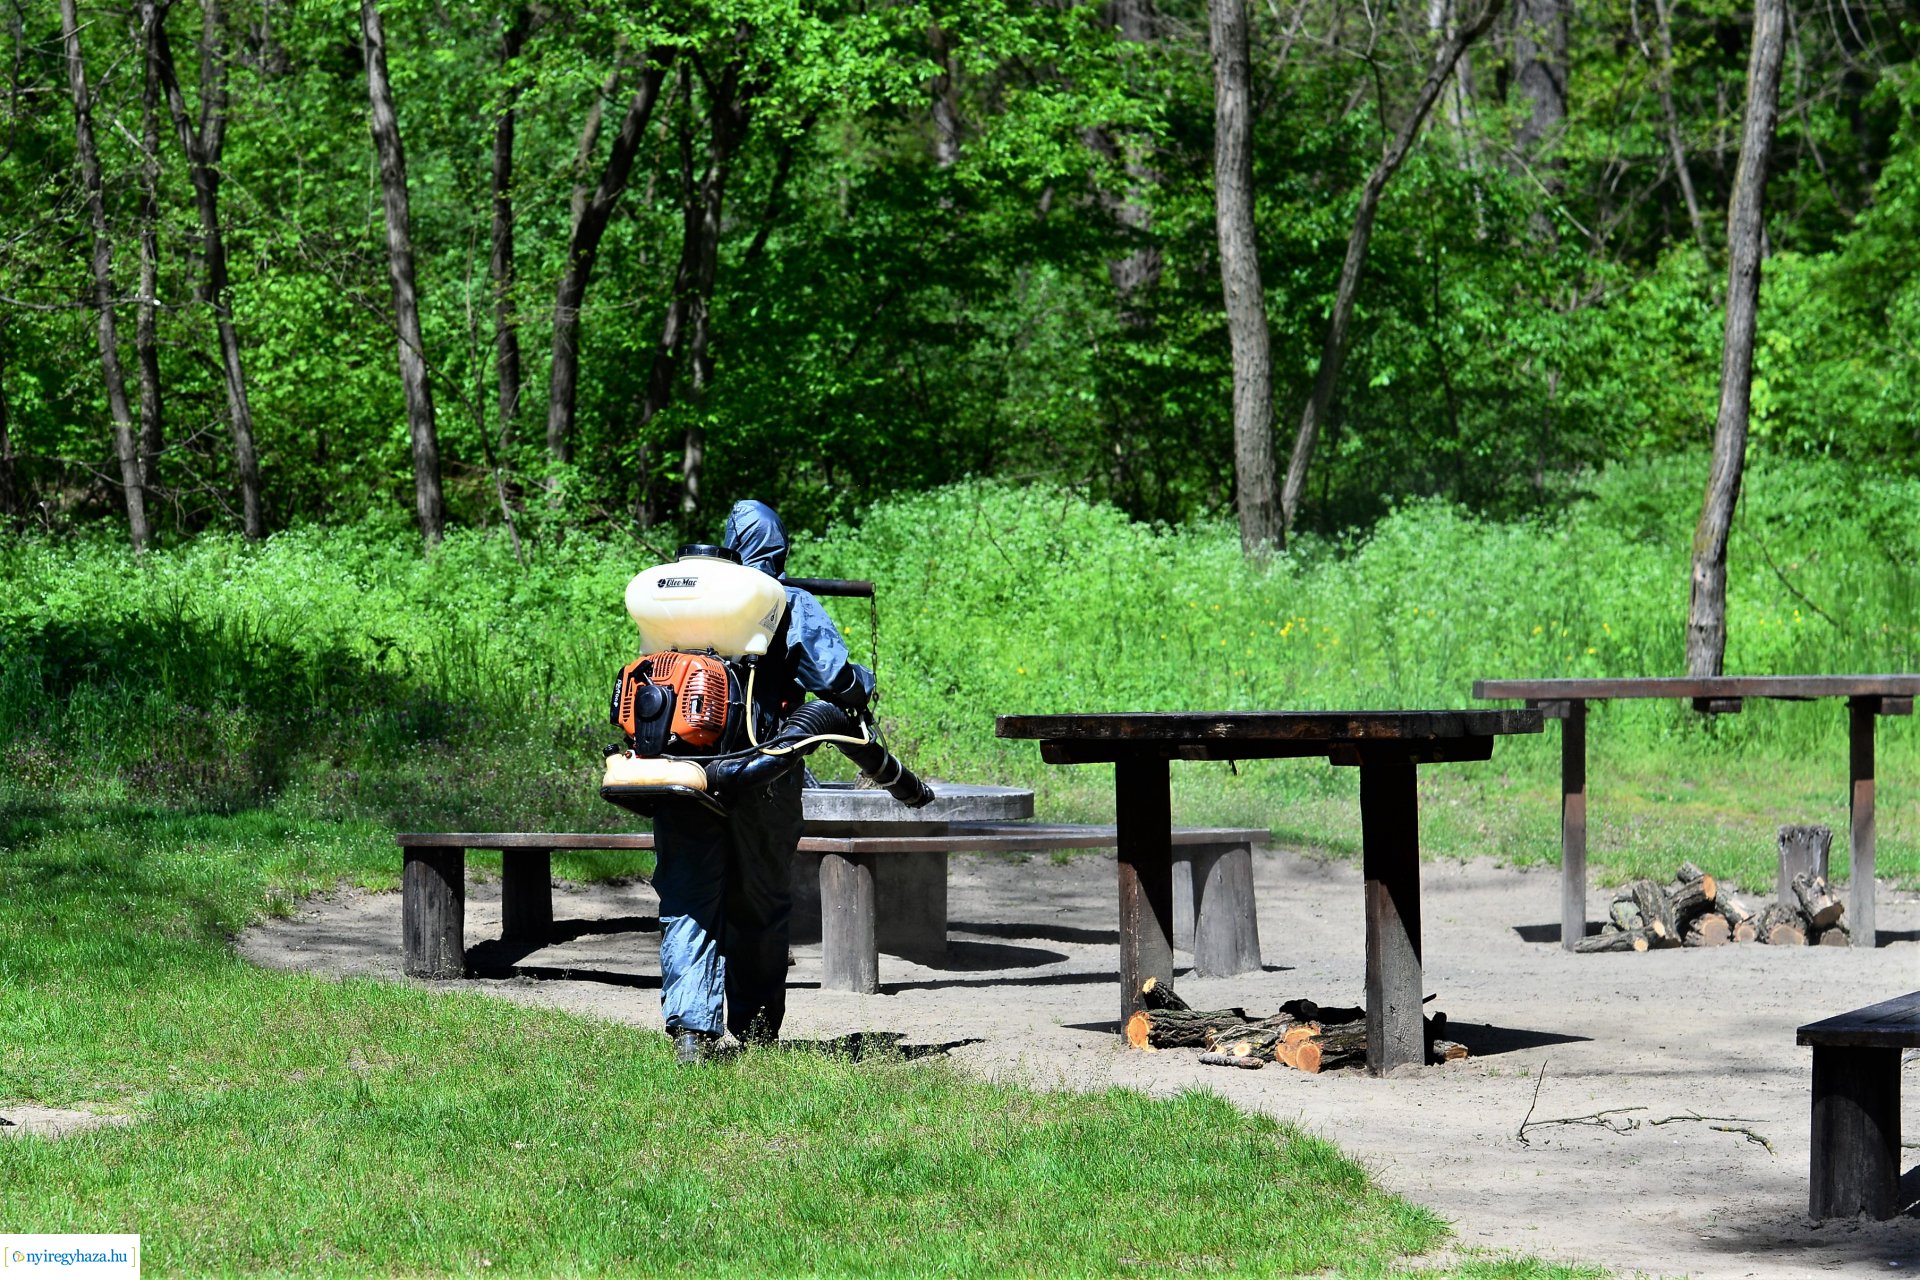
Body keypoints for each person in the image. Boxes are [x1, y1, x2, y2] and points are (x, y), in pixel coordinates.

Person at [651, 499, 875, 1063]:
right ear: (779, 548)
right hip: (763, 773)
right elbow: (835, 680)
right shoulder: (784, 600)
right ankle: (754, 1029)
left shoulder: (678, 598)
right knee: (761, 899)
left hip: (681, 771)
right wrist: (861, 684)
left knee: (688, 897)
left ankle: (691, 1033)